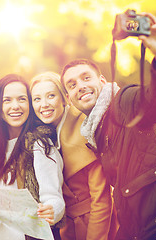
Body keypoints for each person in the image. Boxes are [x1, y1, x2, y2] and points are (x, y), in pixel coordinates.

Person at [60, 13, 156, 240]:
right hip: (147, 231)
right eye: (72, 84)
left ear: (102, 82)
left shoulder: (125, 101)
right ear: (69, 98)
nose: (80, 86)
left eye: (86, 78)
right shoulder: (97, 130)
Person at [0, 74, 65, 240]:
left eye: (22, 99)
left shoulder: (40, 144)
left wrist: (51, 209)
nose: (15, 106)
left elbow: (54, 198)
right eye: (7, 100)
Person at [30, 72, 117, 240]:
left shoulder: (83, 130)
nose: (44, 105)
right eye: (37, 99)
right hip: (68, 227)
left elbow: (101, 199)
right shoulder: (42, 136)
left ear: (64, 98)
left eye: (51, 96)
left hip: (95, 224)